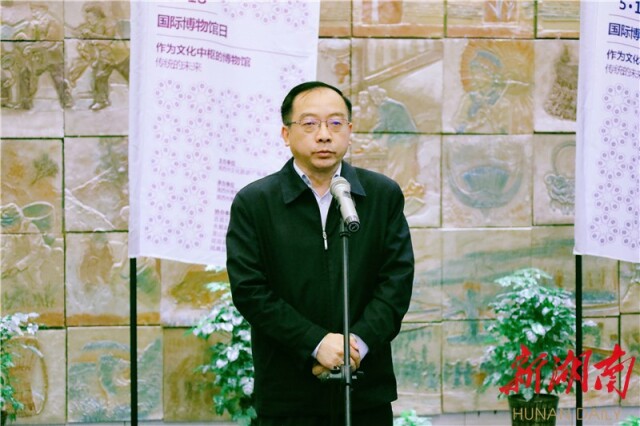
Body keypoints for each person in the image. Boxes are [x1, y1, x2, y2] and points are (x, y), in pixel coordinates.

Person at [226, 81, 415, 426]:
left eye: (335, 123)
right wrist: (315, 344)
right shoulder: (255, 203)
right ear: (286, 134)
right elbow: (250, 291)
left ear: (350, 131)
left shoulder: (382, 195)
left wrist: (354, 346)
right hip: (288, 394)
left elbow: (396, 283)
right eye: (310, 124)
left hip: (365, 392)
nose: (324, 135)